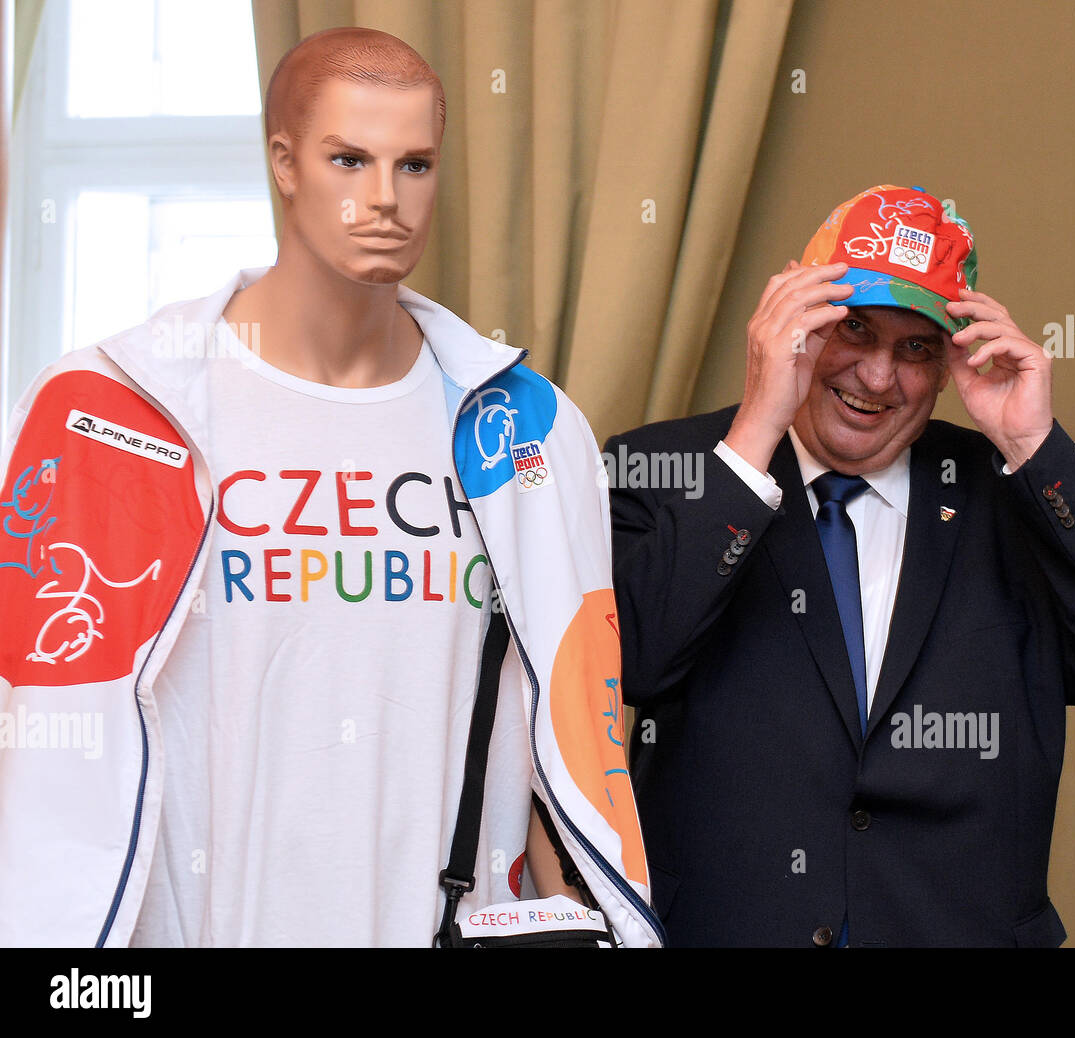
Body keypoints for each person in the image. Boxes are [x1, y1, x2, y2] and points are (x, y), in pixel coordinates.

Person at [0, 27, 661, 948]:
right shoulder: (117, 410)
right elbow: (45, 741)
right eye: (349, 159)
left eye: (417, 164)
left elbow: (568, 740)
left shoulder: (525, 431)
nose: (385, 200)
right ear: (284, 161)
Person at [605, 184, 1075, 947]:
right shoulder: (654, 468)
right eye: (853, 329)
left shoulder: (1010, 491)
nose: (878, 378)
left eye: (915, 347)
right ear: (792, 319)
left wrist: (1035, 445)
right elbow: (632, 664)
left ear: (950, 365)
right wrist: (756, 432)